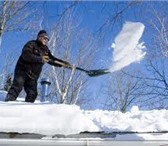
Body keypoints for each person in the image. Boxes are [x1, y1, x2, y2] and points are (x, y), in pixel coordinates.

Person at [5, 30, 71, 103]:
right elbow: (26, 55)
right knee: (17, 86)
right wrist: (40, 58)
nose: (46, 40)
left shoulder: (46, 50)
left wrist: (63, 64)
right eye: (44, 38)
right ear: (39, 37)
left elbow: (52, 60)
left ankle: (26, 109)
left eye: (47, 39)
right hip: (22, 71)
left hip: (33, 76)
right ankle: (8, 103)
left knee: (32, 94)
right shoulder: (31, 44)